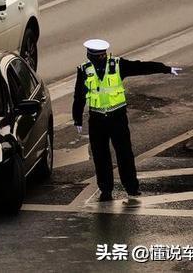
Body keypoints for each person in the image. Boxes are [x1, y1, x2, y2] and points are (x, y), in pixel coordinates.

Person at [72, 39, 182, 202]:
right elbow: (79, 96)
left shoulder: (117, 65)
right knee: (100, 157)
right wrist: (78, 119)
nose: (96, 58)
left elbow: (141, 67)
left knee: (124, 154)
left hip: (117, 118)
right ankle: (106, 190)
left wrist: (165, 69)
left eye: (98, 56)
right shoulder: (84, 70)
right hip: (97, 120)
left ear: (99, 55)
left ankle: (131, 188)